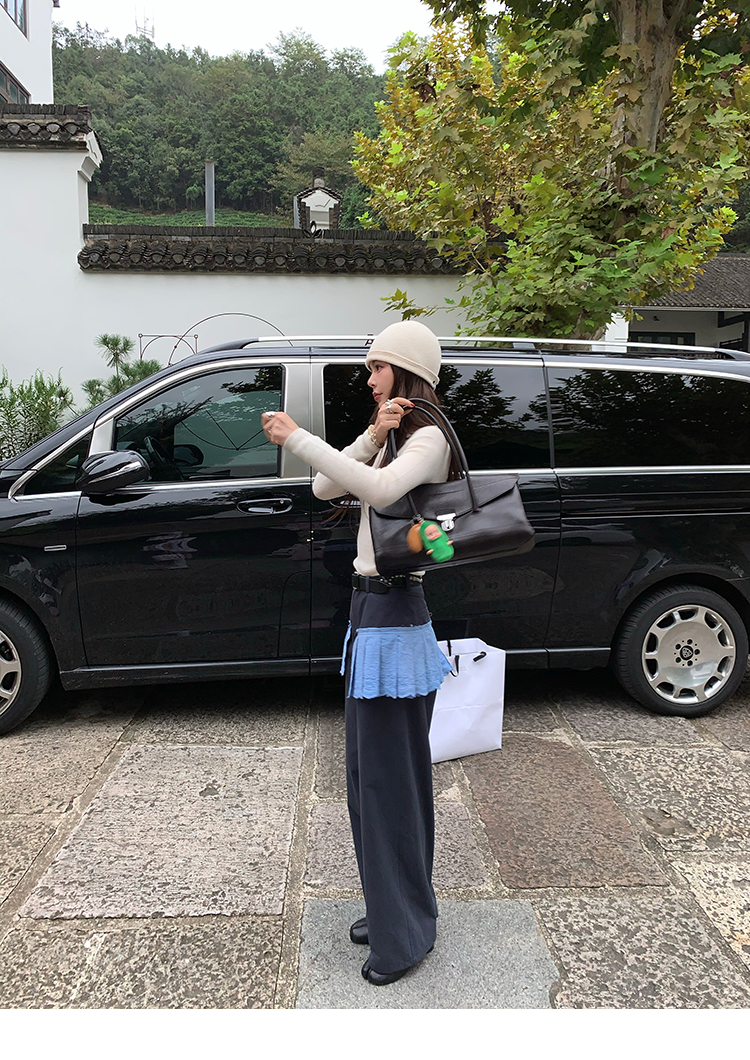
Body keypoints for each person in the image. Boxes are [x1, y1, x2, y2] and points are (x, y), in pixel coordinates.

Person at [262, 320, 454, 986]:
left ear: (406, 370)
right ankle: (395, 906)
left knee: (389, 784)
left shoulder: (429, 439)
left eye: (377, 367)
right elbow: (325, 488)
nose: (369, 378)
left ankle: (405, 936)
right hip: (373, 615)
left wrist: (299, 437)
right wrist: (371, 435)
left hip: (396, 616)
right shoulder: (395, 438)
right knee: (369, 781)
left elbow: (376, 492)